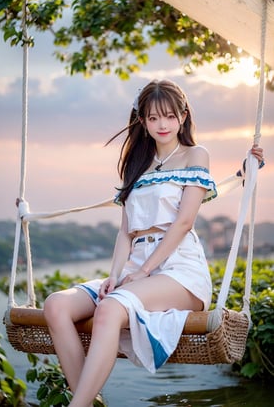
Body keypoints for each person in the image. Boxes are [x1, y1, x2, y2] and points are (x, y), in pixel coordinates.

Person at [44, 79, 264, 407]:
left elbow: (184, 221)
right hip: (136, 267)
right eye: (153, 118)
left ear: (183, 116)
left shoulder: (195, 155)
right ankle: (87, 402)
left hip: (178, 270)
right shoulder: (136, 165)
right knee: (56, 305)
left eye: (170, 116)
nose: (162, 125)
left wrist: (145, 271)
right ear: (143, 121)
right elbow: (125, 232)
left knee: (110, 309)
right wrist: (115, 275)